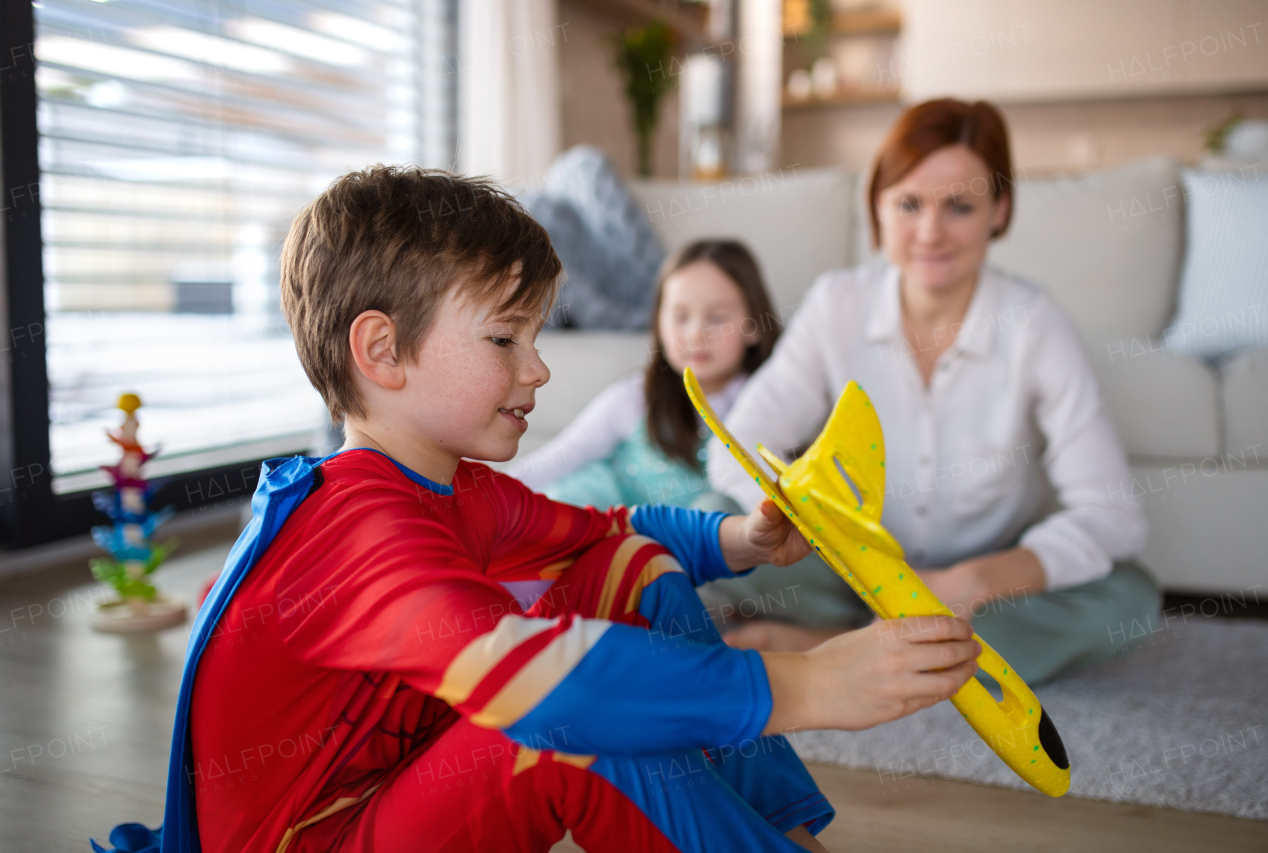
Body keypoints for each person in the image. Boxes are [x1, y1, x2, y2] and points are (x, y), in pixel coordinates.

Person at [93, 166, 982, 853]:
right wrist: (811, 684)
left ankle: (780, 832)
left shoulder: (453, 485)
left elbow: (615, 533)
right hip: (319, 835)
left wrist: (741, 538)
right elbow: (547, 680)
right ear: (382, 350)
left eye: (537, 336)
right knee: (564, 723)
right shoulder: (352, 527)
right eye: (503, 337)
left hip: (389, 789)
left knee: (629, 570)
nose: (538, 368)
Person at [704, 99, 1162, 687]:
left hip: (979, 592)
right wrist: (828, 538)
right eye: (909, 204)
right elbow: (735, 446)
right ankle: (922, 656)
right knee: (711, 522)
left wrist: (976, 581)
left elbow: (1111, 515)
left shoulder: (1035, 324)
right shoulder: (836, 303)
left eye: (960, 207)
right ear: (877, 207)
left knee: (1130, 598)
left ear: (999, 211)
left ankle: (834, 647)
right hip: (849, 573)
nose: (930, 233)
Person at [507, 240, 779, 514]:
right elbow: (555, 461)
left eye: (717, 317)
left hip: (697, 547)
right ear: (659, 325)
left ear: (754, 326)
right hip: (607, 534)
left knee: (717, 510)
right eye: (681, 317)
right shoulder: (636, 396)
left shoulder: (774, 403)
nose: (696, 334)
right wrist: (487, 494)